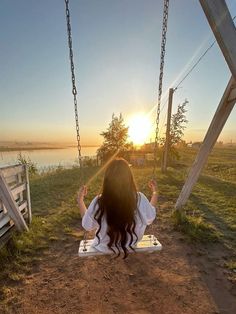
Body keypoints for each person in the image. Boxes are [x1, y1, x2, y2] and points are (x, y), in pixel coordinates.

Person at [77, 158, 158, 258]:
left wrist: (80, 200)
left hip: (104, 247)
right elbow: (150, 217)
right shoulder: (140, 198)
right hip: (130, 245)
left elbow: (87, 226)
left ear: (107, 180)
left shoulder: (99, 201)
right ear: (129, 178)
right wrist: (155, 192)